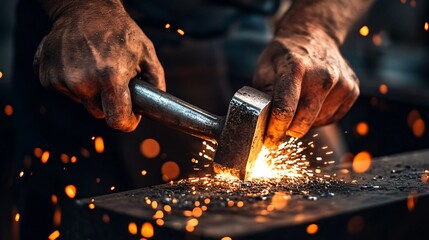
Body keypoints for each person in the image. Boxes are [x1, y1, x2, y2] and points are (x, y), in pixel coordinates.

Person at [12, 0, 373, 238]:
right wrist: (80, 8)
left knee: (327, 213)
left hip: (256, 21)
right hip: (106, 29)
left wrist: (318, 25)